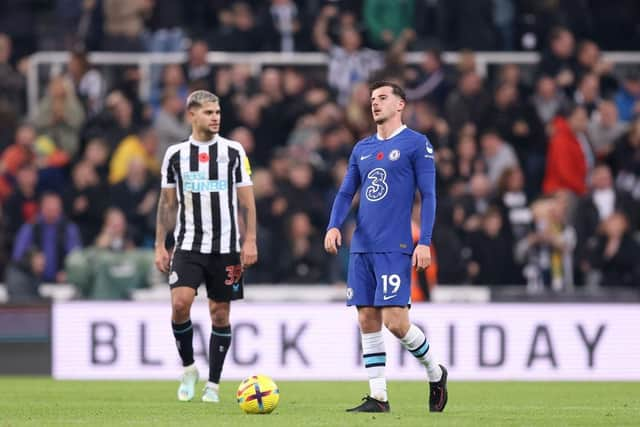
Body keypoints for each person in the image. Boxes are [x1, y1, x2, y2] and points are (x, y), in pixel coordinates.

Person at [324, 81, 448, 413]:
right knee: (366, 318)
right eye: (372, 100)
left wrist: (425, 242)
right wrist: (334, 225)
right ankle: (378, 397)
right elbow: (345, 193)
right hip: (362, 245)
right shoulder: (361, 148)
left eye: (382, 98)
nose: (375, 104)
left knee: (396, 322)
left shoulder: (416, 144)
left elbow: (430, 195)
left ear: (400, 105)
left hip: (396, 244)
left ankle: (435, 372)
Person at [154, 90, 257, 403]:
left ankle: (213, 385)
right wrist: (160, 243)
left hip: (226, 246)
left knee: (220, 314)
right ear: (192, 115)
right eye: (209, 112)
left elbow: (247, 200)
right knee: (180, 304)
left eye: (218, 112)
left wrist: (250, 239)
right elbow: (166, 204)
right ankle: (188, 369)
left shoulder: (234, 151)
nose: (216, 118)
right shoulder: (175, 155)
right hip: (188, 244)